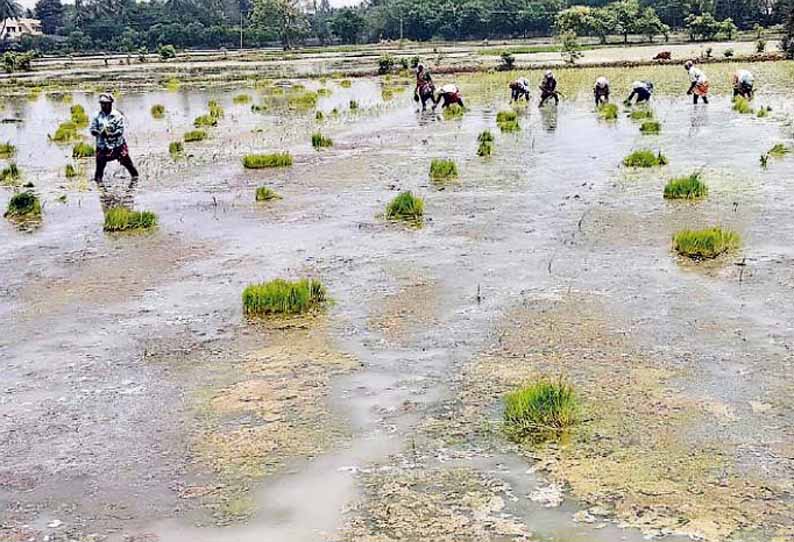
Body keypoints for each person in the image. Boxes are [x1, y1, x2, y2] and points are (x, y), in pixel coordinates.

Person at [90, 93, 138, 188]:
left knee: (131, 168)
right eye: (102, 103)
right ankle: (102, 193)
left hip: (117, 147)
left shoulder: (117, 116)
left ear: (111, 103)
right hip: (102, 147)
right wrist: (99, 133)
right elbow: (92, 130)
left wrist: (109, 134)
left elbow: (120, 131)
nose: (103, 105)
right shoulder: (97, 116)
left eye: (106, 103)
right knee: (98, 174)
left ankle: (134, 186)